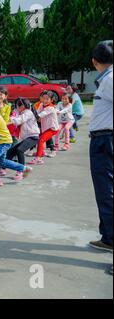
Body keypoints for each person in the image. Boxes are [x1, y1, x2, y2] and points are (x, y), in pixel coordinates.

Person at [87, 41, 113, 270]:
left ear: (95, 62)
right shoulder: (107, 79)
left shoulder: (111, 79)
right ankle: (108, 238)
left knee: (108, 194)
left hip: (106, 141)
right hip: (102, 140)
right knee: (104, 192)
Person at [7, 98, 40, 181]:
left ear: (22, 106)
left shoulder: (28, 113)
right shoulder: (20, 112)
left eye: (17, 106)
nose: (16, 108)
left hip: (33, 137)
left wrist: (9, 120)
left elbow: (19, 120)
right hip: (26, 138)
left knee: (19, 150)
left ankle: (21, 171)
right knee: (10, 152)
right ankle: (1, 169)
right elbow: (14, 115)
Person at [28, 91, 60, 165]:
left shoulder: (51, 108)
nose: (45, 100)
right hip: (45, 127)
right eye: (43, 98)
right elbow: (37, 113)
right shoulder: (42, 104)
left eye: (47, 99)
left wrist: (31, 109)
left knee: (41, 140)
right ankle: (41, 152)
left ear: (51, 100)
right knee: (38, 137)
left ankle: (38, 158)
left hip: (52, 128)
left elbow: (39, 115)